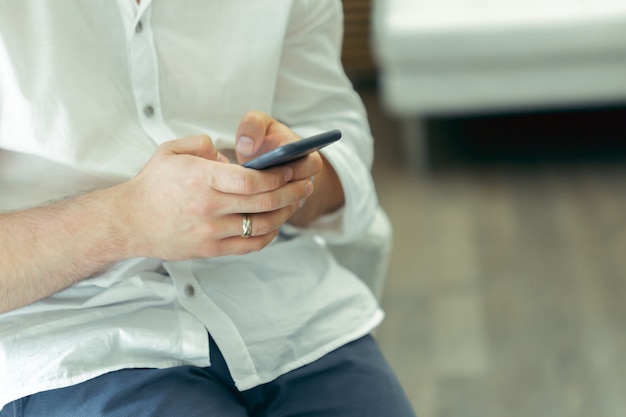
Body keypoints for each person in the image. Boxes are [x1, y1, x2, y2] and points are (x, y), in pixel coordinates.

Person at [0, 1, 416, 416]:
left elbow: (344, 166)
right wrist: (125, 220)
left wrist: (289, 182)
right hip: (72, 344)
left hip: (282, 312)